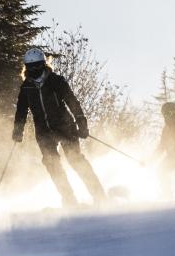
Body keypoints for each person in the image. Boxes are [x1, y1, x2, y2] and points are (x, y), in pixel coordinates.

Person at [12, 47, 108, 207]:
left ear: (43, 64)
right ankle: (69, 199)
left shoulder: (55, 80)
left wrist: (81, 121)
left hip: (65, 126)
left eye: (37, 65)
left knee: (75, 159)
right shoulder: (26, 87)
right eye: (31, 66)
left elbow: (72, 100)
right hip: (43, 132)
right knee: (51, 163)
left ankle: (99, 195)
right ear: (26, 67)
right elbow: (21, 110)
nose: (34, 69)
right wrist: (18, 129)